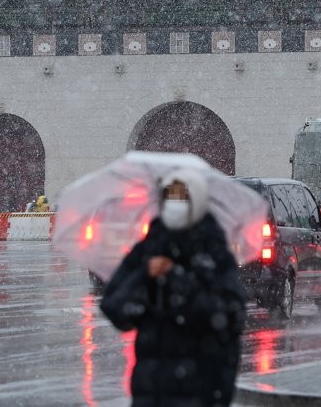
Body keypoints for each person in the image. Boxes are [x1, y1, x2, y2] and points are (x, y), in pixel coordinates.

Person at [100, 168, 246, 407]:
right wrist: (144, 275)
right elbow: (115, 307)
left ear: (196, 201)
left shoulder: (212, 250)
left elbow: (229, 314)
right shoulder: (150, 247)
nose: (175, 203)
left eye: (182, 196)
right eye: (170, 196)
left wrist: (176, 278)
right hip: (150, 393)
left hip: (199, 390)